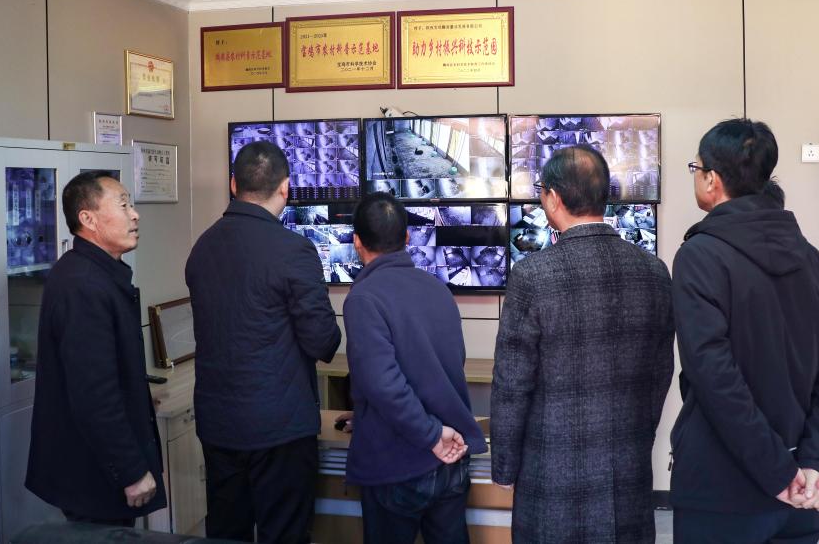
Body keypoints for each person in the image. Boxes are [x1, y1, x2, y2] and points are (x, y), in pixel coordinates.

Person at [671, 118, 819, 544]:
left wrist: (779, 473)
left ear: (712, 180)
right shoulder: (814, 261)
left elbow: (714, 376)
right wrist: (816, 464)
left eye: (695, 167)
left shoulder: (700, 256)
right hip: (800, 489)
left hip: (721, 488)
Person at [490, 145, 675, 543]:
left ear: (553, 198)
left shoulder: (532, 276)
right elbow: (661, 373)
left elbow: (512, 384)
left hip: (551, 472)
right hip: (627, 466)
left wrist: (504, 466)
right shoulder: (654, 271)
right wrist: (638, 435)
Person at [185, 141, 342, 543]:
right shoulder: (294, 250)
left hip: (218, 425)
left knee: (227, 532)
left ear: (233, 184)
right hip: (279, 429)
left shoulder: (202, 247)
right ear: (286, 188)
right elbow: (323, 342)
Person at [340, 192, 487, 543]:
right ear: (407, 237)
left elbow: (384, 385)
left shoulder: (363, 298)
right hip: (451, 460)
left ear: (357, 242)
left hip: (400, 464)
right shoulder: (438, 289)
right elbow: (445, 366)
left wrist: (431, 435)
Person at [26, 171, 165, 525]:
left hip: (97, 467)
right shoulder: (83, 285)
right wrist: (132, 471)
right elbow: (93, 394)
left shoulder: (96, 272)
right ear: (88, 219)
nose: (135, 215)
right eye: (124, 205)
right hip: (92, 474)